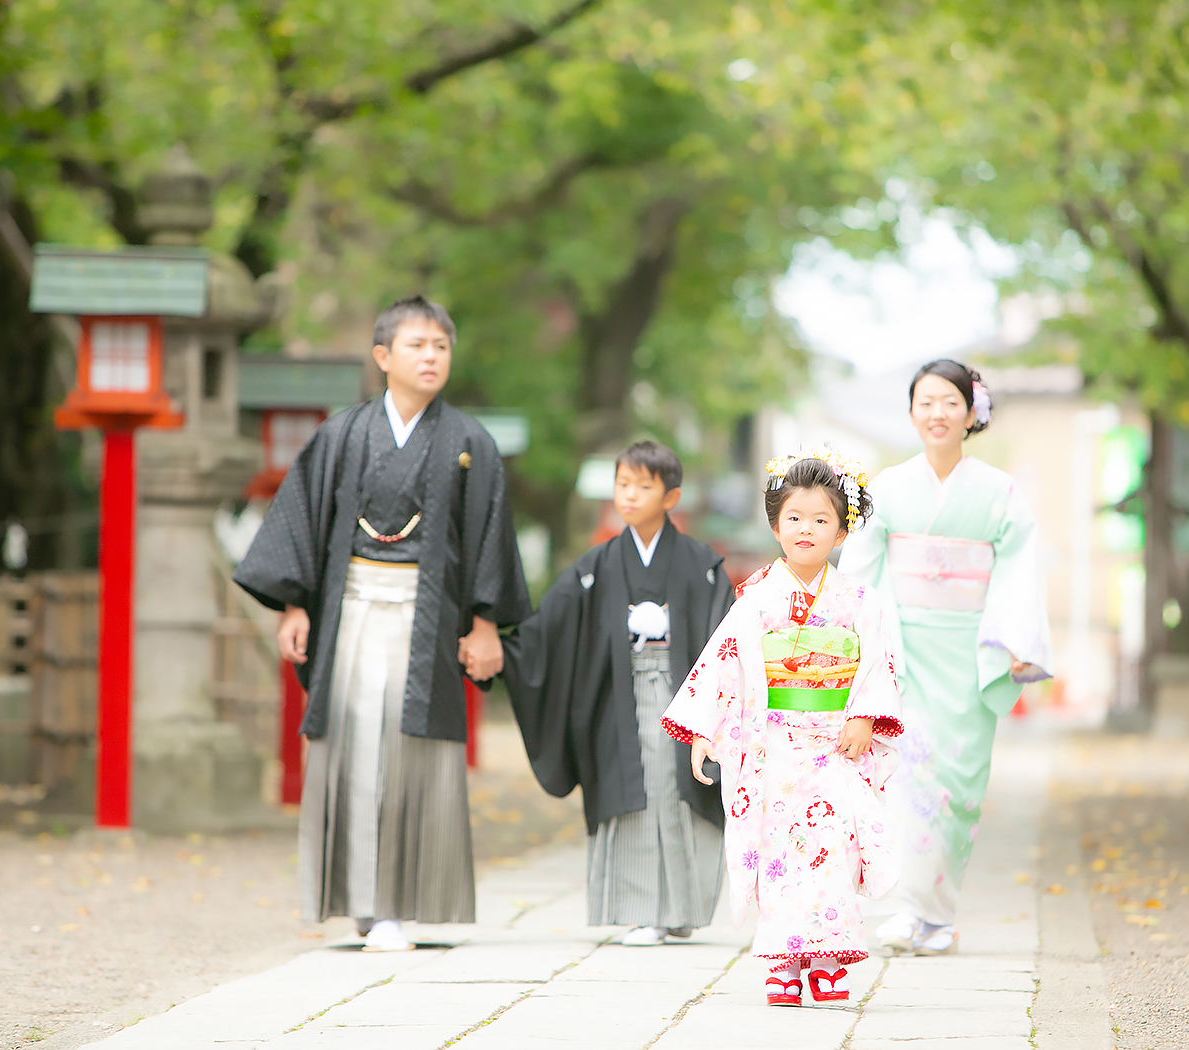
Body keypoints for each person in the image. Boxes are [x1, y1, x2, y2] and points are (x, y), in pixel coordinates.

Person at [233, 295, 530, 952]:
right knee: (351, 747)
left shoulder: (469, 443)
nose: (430, 357)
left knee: (409, 755)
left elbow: (488, 537)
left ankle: (398, 906)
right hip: (351, 612)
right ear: (382, 356)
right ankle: (359, 904)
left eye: (441, 347)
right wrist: (292, 604)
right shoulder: (341, 436)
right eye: (417, 345)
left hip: (428, 622)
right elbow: (301, 523)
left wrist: (484, 624)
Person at [661, 449, 904, 1007]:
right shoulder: (755, 598)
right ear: (775, 525)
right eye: (794, 517)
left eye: (822, 519)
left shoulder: (859, 601)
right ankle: (785, 962)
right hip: (773, 748)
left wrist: (865, 715)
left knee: (833, 850)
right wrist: (707, 729)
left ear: (841, 531)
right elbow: (726, 664)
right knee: (778, 854)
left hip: (836, 745)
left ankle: (827, 959)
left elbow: (877, 665)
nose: (806, 529)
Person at [838, 359, 1053, 956]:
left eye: (949, 402)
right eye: (926, 402)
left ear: (970, 413)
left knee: (957, 786)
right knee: (906, 780)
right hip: (903, 649)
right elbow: (861, 570)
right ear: (911, 413)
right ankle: (912, 911)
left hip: (970, 649)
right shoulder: (885, 488)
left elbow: (1018, 567)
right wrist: (862, 643)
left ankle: (939, 914)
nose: (937, 413)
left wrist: (1014, 641)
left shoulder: (998, 492)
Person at [502, 441, 732, 946]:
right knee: (636, 794)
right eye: (622, 485)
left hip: (685, 700)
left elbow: (725, 641)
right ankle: (642, 909)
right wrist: (502, 649)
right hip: (618, 702)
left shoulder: (702, 565)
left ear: (670, 497)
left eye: (642, 486)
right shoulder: (596, 565)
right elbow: (548, 629)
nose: (628, 496)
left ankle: (682, 908)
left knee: (679, 795)